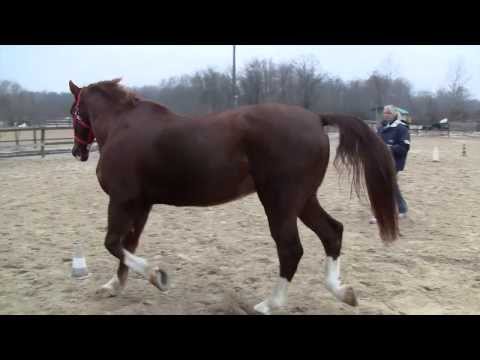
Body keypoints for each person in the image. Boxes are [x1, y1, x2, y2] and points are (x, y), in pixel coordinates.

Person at [370, 106, 410, 224]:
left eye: (388, 113)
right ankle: (402, 208)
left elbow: (405, 147)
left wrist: (390, 148)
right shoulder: (381, 127)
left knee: (384, 186)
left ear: (394, 114)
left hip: (394, 162)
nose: (386, 115)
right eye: (385, 113)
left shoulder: (401, 128)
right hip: (381, 161)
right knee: (391, 185)